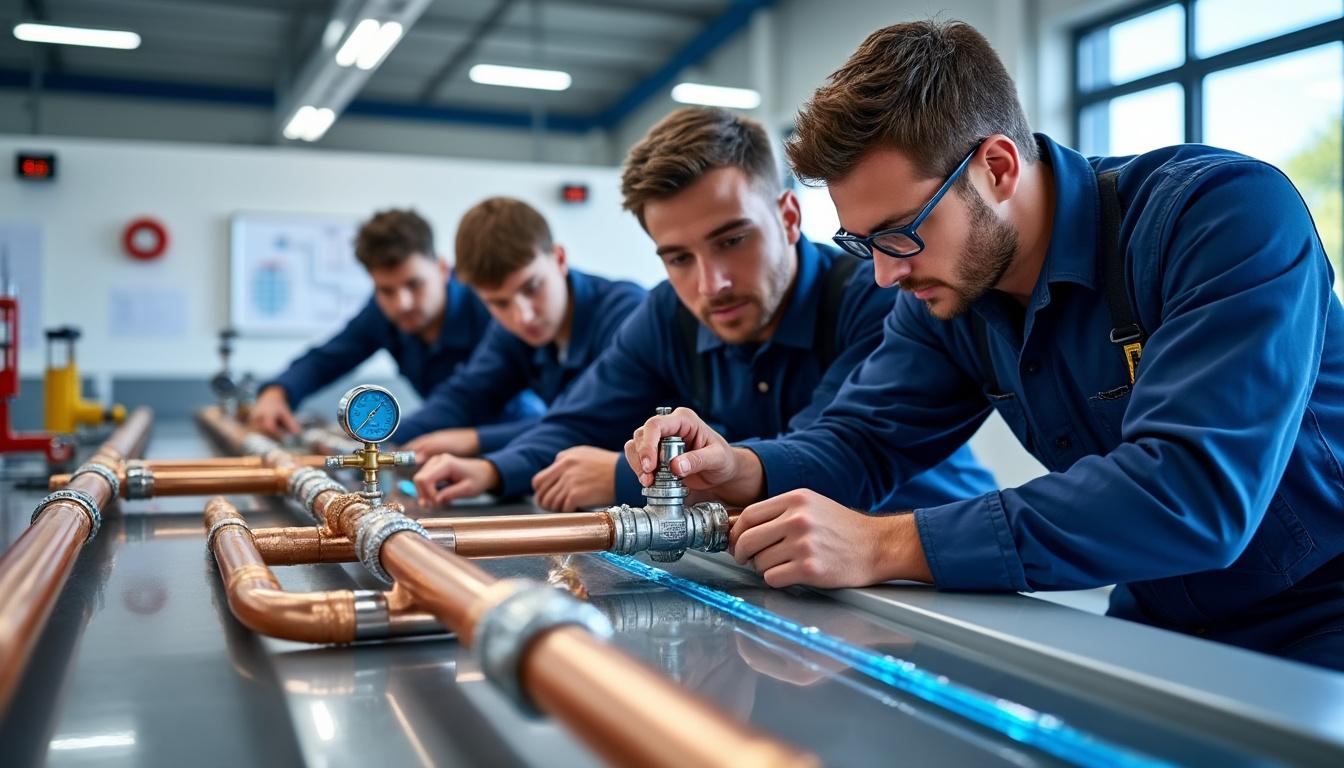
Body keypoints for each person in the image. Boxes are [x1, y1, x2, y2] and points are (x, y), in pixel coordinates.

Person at [625, 21, 1344, 669]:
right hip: (1160, 613)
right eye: (861, 242)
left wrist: (890, 544)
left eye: (901, 230)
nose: (883, 272)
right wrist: (742, 467)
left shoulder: (1220, 217)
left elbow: (1193, 491)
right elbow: (866, 438)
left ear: (997, 167)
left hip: (1321, 614)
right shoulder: (948, 292)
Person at [414, 106, 994, 513]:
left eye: (732, 240)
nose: (710, 284)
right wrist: (494, 471)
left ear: (789, 217)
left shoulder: (876, 294)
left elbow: (827, 459)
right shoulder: (667, 315)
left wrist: (621, 475)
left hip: (936, 587)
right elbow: (576, 422)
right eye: (678, 258)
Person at [249, 208, 540, 436]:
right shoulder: (381, 314)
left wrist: (391, 437)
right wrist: (278, 393)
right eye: (386, 290)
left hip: (521, 444)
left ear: (441, 268)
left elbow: (465, 398)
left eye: (414, 284)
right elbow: (327, 358)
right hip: (442, 447)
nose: (402, 303)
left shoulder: (489, 308)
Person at [393, 197, 646, 458]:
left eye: (532, 287)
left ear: (559, 258)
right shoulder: (510, 331)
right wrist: (380, 442)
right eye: (499, 303)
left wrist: (476, 440)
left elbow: (584, 421)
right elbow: (465, 394)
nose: (522, 316)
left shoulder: (626, 313)